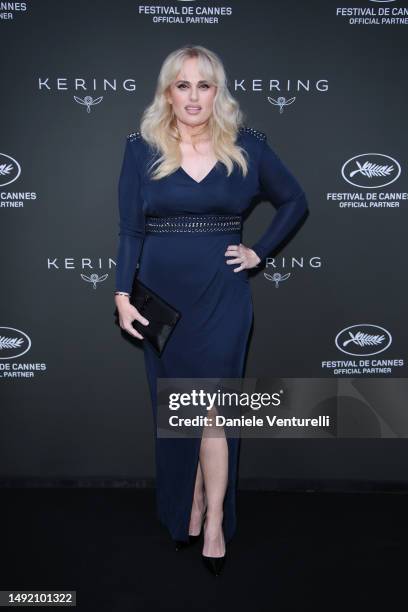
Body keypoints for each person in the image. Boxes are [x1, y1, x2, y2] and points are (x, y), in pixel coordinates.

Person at [114, 44, 309, 576]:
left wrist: (259, 251)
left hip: (223, 297)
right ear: (167, 93)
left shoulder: (247, 145)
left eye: (204, 85)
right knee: (184, 414)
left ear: (217, 92)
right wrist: (120, 294)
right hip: (163, 301)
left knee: (213, 414)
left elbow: (295, 200)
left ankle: (216, 519)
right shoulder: (141, 148)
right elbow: (131, 230)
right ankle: (190, 505)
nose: (194, 95)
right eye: (183, 85)